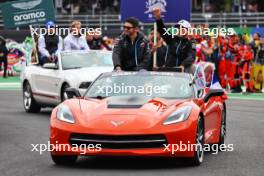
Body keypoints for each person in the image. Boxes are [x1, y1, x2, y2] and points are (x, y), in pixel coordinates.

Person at [152, 8, 196, 73]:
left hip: (183, 71)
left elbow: (192, 56)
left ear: (188, 30)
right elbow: (162, 30)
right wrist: (158, 18)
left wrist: (183, 65)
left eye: (182, 28)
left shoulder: (192, 42)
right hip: (169, 70)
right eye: (178, 28)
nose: (179, 29)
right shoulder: (172, 38)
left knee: (193, 67)